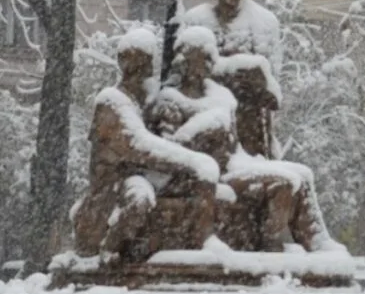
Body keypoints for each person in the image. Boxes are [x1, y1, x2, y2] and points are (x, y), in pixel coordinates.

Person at [148, 26, 345, 254]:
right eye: (198, 59)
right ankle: (270, 245)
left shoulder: (221, 96)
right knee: (284, 182)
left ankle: (317, 240)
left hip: (235, 164)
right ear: (184, 62)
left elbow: (234, 146)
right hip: (208, 175)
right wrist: (203, 127)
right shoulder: (171, 101)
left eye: (207, 59)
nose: (204, 66)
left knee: (302, 174)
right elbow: (170, 151)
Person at [71, 28, 219, 261]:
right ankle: (108, 253)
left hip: (132, 180)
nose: (142, 73)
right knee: (140, 199)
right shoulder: (111, 102)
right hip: (110, 191)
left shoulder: (138, 104)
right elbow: (139, 146)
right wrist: (194, 161)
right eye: (137, 66)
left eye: (145, 65)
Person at [180, 0, 282, 157]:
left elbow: (273, 83)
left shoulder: (263, 22)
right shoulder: (197, 21)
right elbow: (185, 73)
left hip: (249, 117)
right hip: (209, 111)